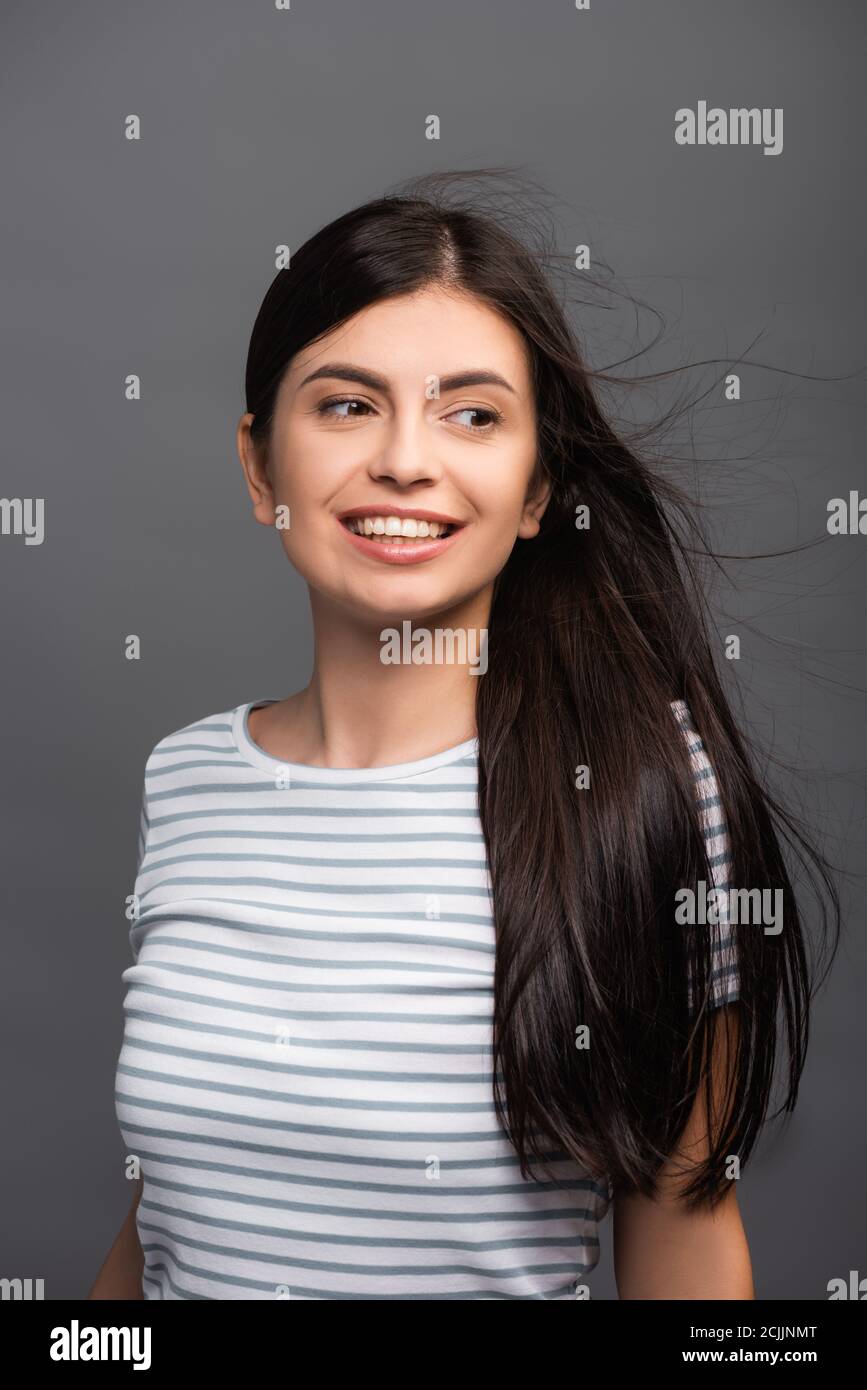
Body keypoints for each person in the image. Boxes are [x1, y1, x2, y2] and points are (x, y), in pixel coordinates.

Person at [90, 174, 838, 1300]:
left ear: (537, 487)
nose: (405, 459)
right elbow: (170, 1223)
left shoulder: (647, 788)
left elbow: (685, 1241)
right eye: (346, 404)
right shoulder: (187, 777)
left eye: (473, 414)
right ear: (259, 466)